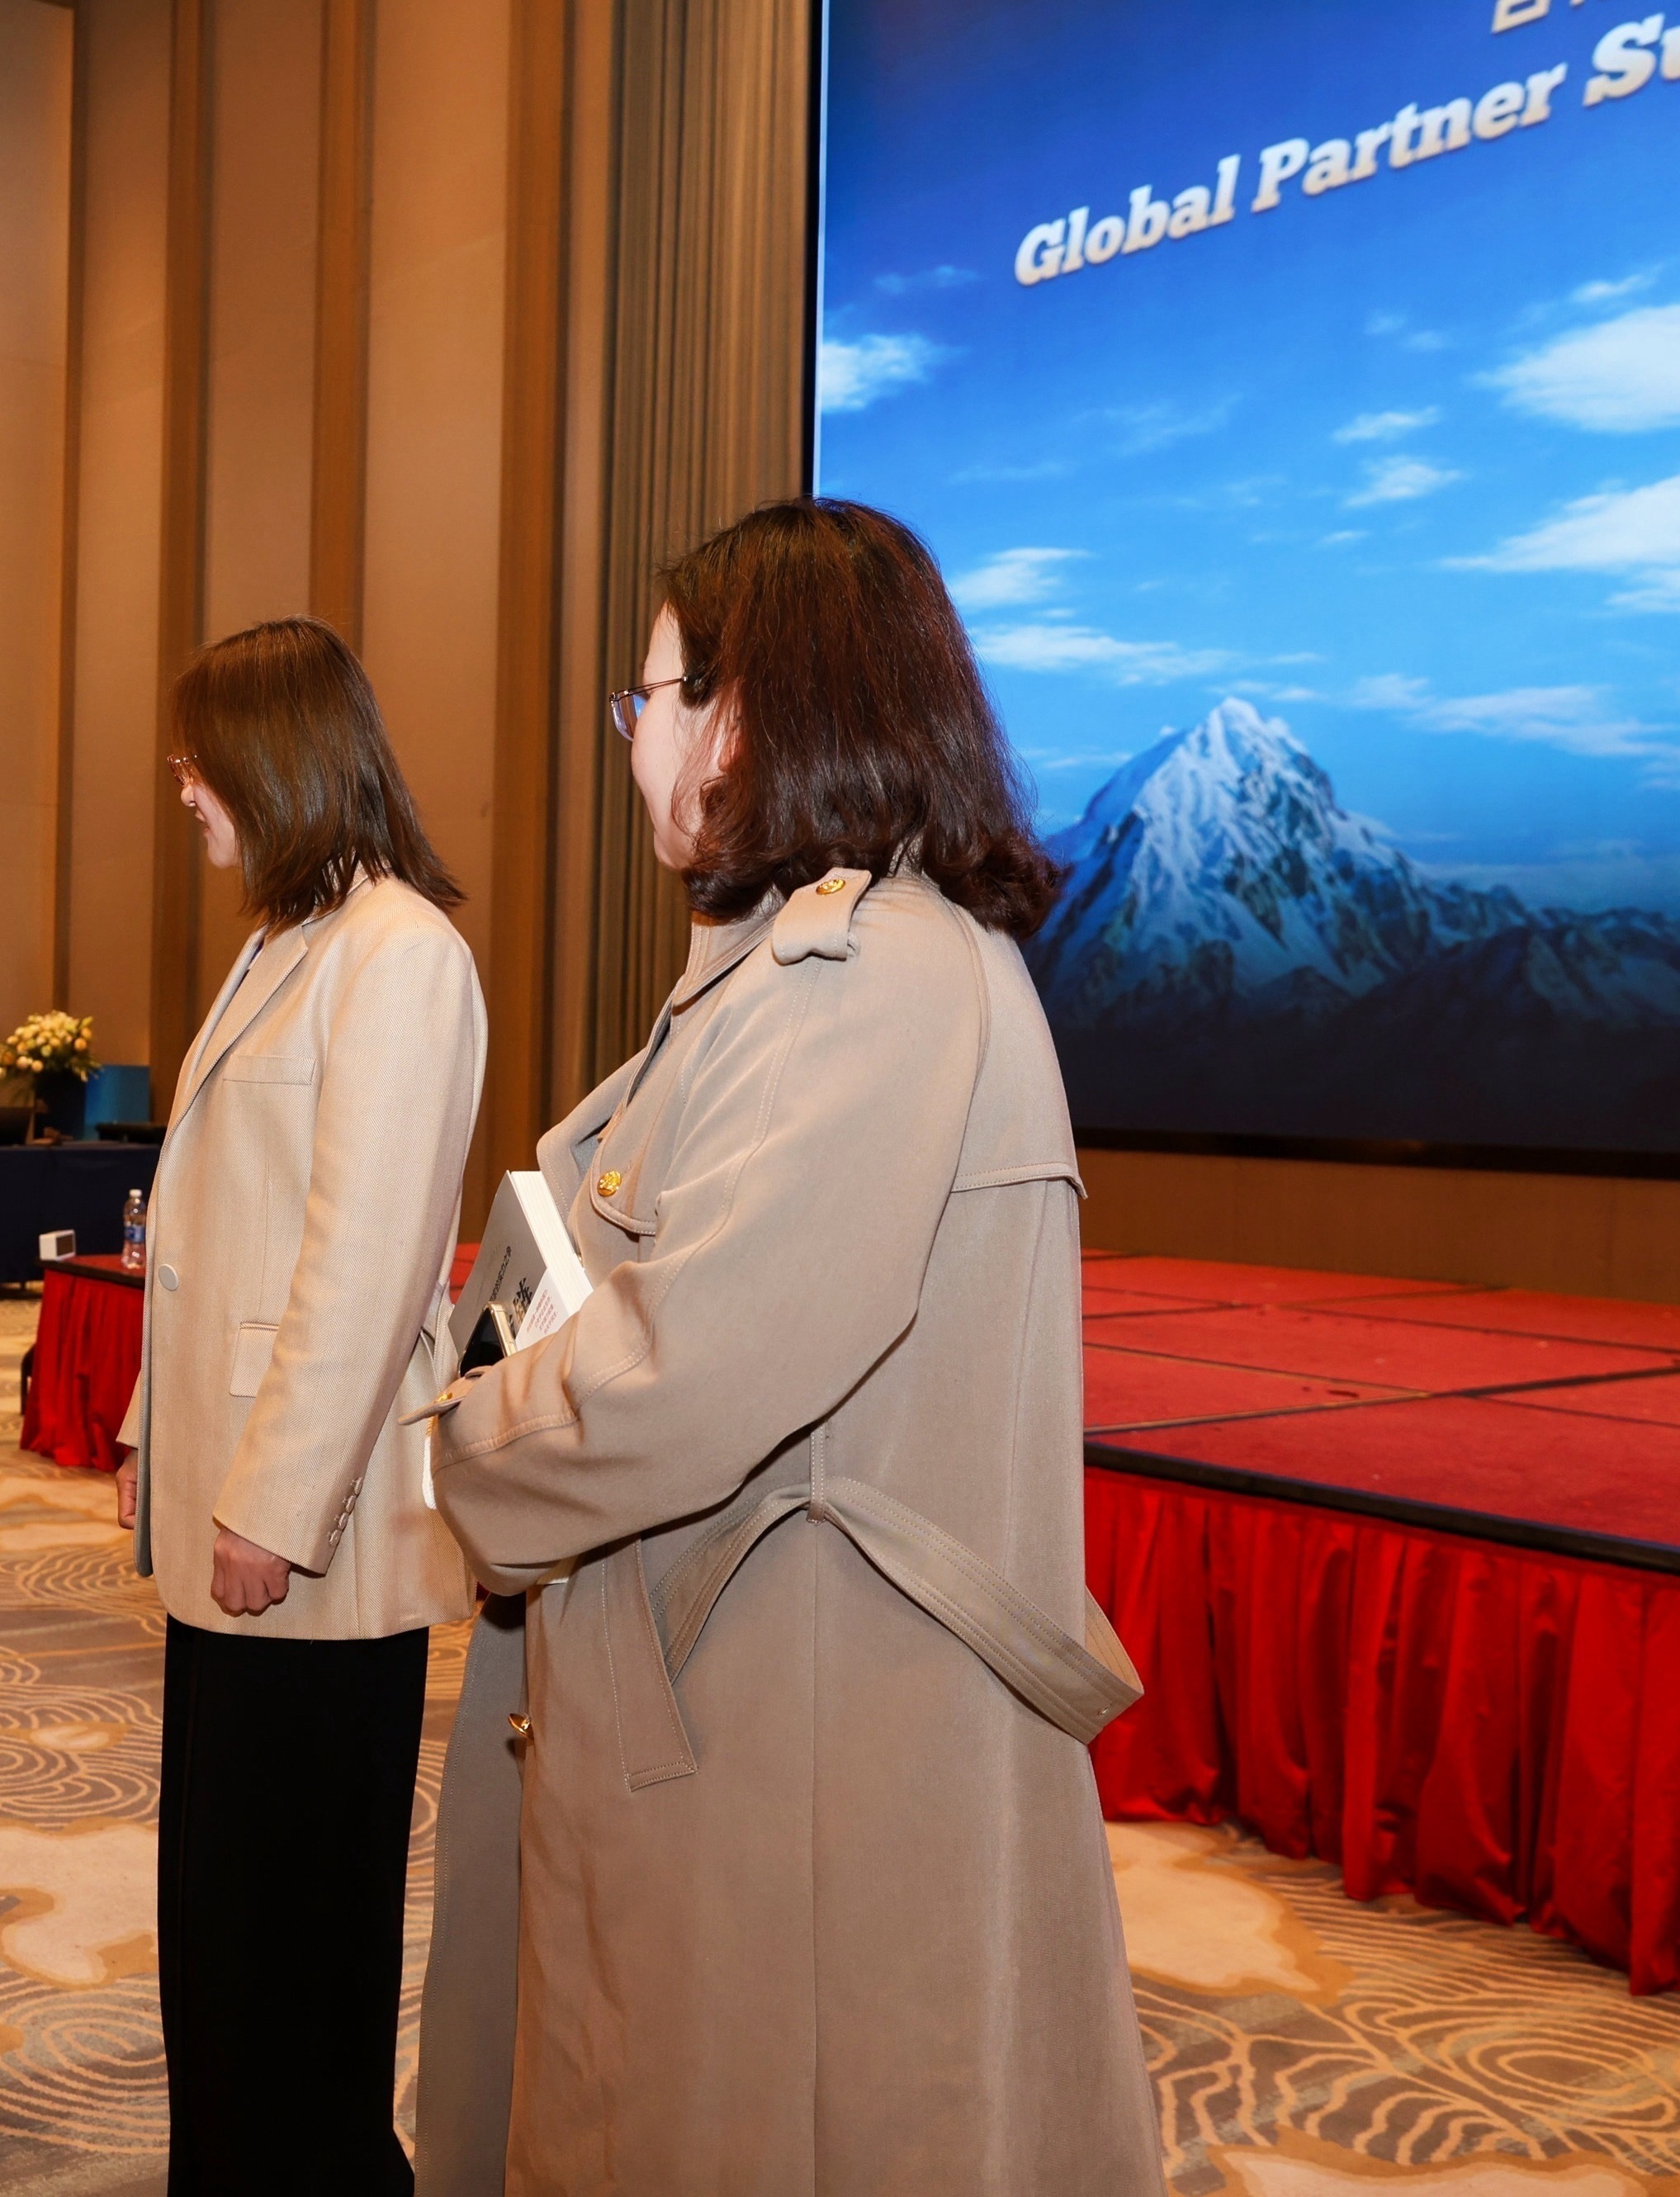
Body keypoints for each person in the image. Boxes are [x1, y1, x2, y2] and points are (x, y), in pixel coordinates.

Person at [414, 500, 1162, 2195]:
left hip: (788, 1726)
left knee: (760, 2122)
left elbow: (684, 1367)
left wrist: (452, 1446)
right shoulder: (802, 964)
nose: (632, 735)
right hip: (740, 1677)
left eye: (648, 695)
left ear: (742, 716)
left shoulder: (857, 977)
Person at [112, 618, 483, 2195]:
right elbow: (211, 1232)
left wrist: (272, 1505)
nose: (181, 785)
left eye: (196, 758)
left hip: (307, 1537)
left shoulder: (400, 953)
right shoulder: (286, 939)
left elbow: (365, 1266)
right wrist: (151, 1438)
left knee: (292, 1925)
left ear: (272, 759)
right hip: (232, 1506)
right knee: (220, 1911)